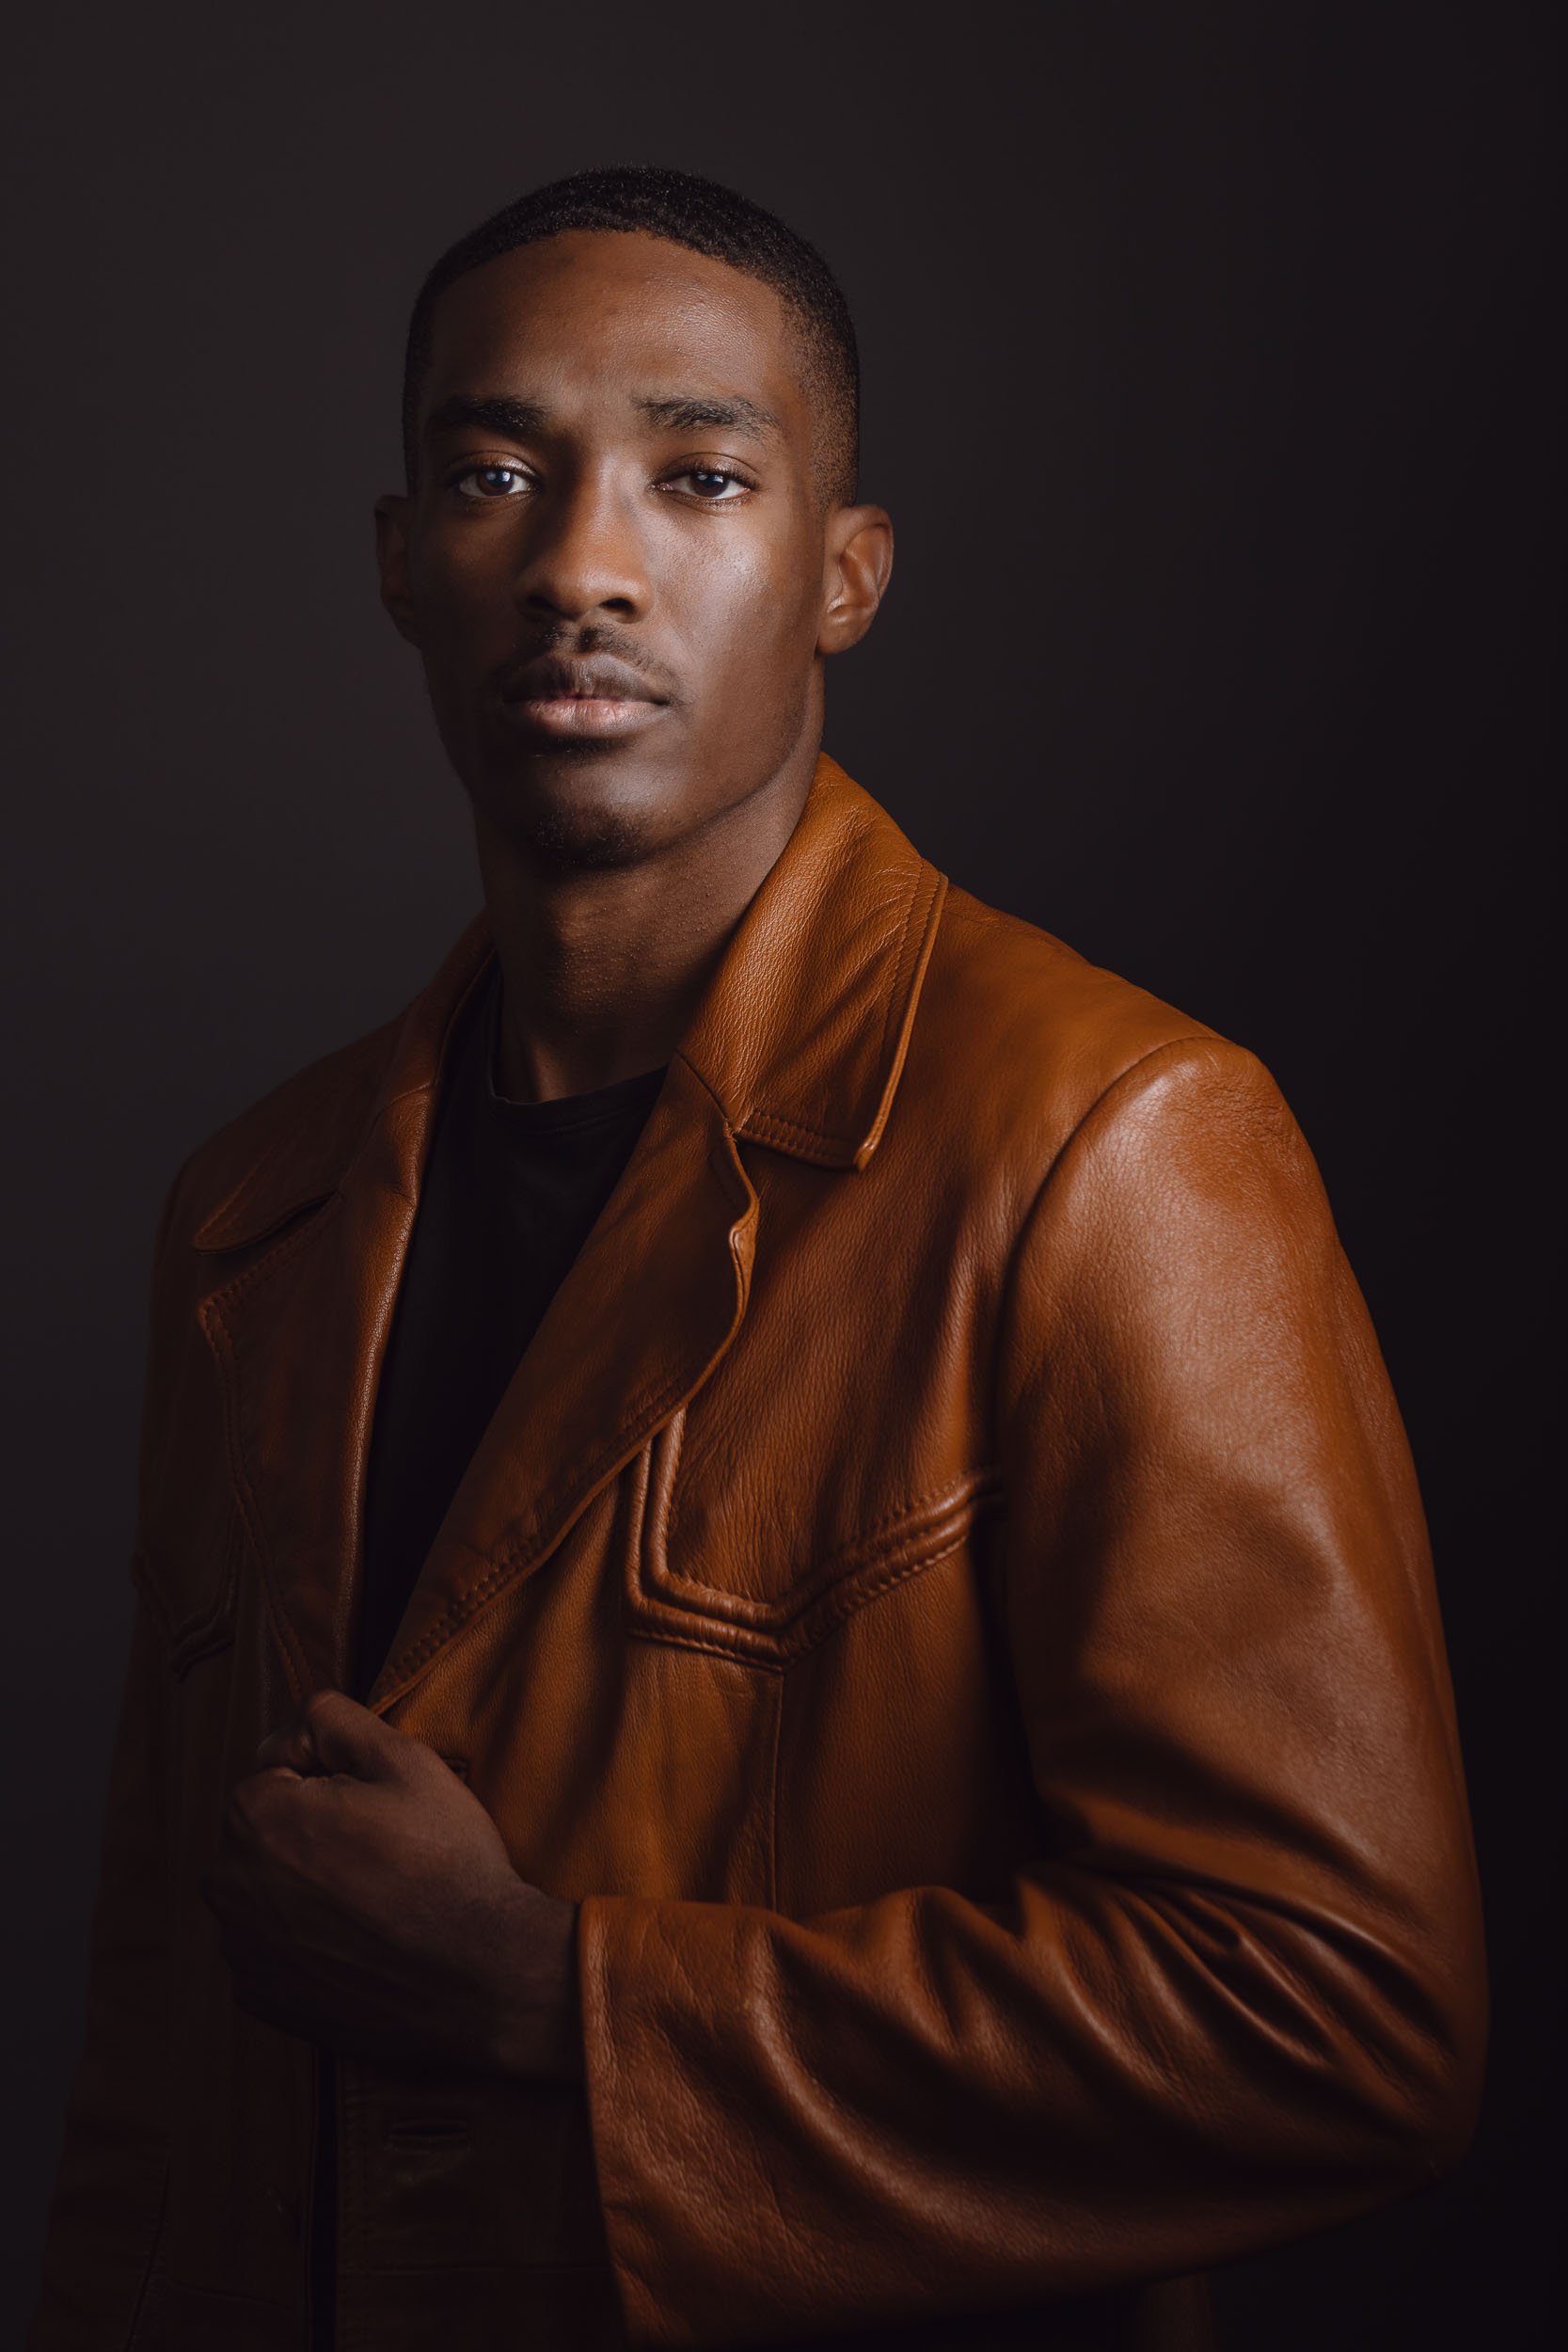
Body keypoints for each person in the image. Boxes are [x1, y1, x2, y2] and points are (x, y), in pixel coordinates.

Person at [28, 164, 1486, 2352]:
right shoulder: (256, 1210)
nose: (583, 564)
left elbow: (1338, 2014)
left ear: (845, 575)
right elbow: (163, 2052)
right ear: (402, 560)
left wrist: (559, 1998)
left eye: (700, 474)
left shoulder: (1108, 1137)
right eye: (496, 471)